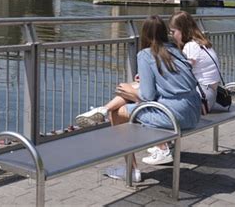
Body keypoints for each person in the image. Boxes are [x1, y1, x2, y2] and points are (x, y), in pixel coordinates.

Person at [75, 15, 200, 179]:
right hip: (194, 111)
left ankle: (131, 170)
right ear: (164, 33)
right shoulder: (176, 50)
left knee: (118, 112)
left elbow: (147, 96)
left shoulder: (146, 54)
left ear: (145, 35)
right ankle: (103, 110)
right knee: (133, 88)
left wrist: (128, 89)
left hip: (175, 115)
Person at [169, 11, 221, 113]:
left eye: (173, 32)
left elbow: (181, 73)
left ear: (182, 30)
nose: (171, 35)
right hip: (211, 94)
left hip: (203, 99)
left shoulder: (191, 46)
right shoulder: (201, 43)